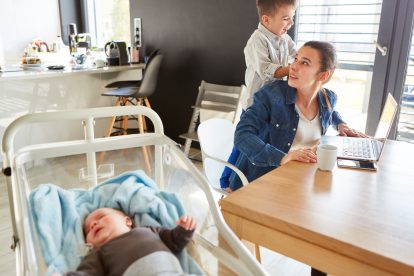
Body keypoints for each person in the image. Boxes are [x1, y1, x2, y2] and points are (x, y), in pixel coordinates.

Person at [225, 40, 367, 276]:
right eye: (296, 59)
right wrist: (282, 158)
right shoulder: (271, 96)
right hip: (265, 180)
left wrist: (341, 123)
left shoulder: (328, 98)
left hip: (302, 182)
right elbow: (242, 135)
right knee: (325, 226)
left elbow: (331, 111)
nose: (293, 66)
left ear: (323, 75)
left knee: (335, 223)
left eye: (304, 63)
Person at [221, 0, 298, 189]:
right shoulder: (257, 40)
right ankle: (226, 181)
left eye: (293, 18)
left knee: (260, 143)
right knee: (242, 144)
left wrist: (302, 60)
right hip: (255, 104)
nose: (291, 23)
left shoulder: (284, 39)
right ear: (266, 19)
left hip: (272, 103)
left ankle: (252, 180)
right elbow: (267, 70)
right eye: (286, 19)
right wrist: (293, 69)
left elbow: (297, 54)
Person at [53, 208, 196, 276]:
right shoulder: (98, 253)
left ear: (127, 220)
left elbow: (174, 241)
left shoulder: (149, 230)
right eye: (87, 231)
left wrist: (184, 229)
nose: (93, 224)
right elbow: (88, 274)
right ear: (89, 244)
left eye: (101, 217)